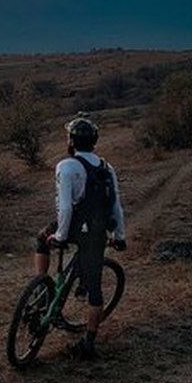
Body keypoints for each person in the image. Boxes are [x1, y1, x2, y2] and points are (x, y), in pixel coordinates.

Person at [35, 114, 126, 360]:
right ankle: (88, 343)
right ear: (95, 142)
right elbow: (115, 204)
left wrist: (60, 235)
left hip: (73, 225)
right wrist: (120, 235)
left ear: (71, 141)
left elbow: (65, 207)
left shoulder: (67, 166)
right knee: (95, 291)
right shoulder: (107, 168)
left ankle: (41, 289)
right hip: (97, 231)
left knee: (41, 240)